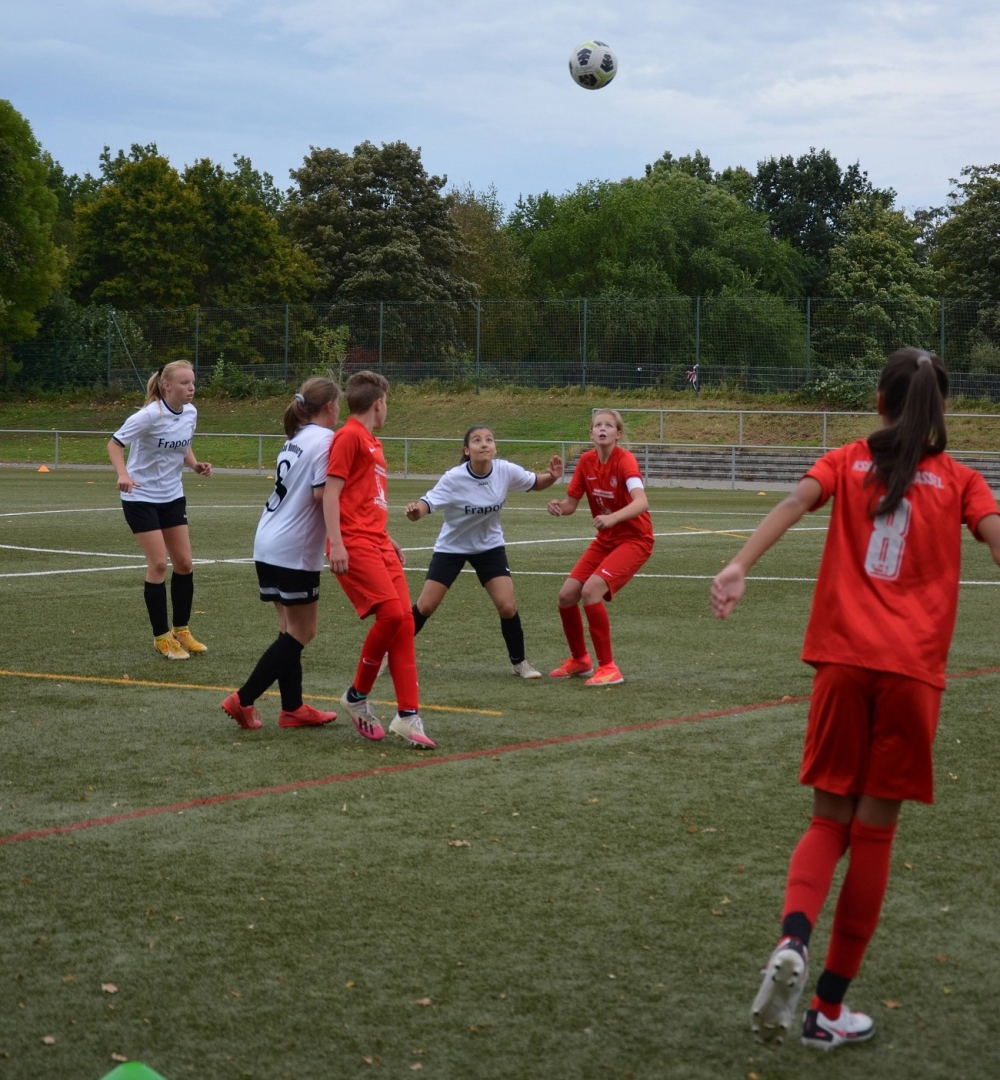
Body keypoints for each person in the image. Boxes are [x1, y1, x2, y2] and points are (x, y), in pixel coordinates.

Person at [710, 349, 1000, 1052]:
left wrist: (738, 565)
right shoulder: (962, 480)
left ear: (878, 401)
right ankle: (827, 1010)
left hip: (841, 664)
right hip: (912, 674)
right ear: (943, 409)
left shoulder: (846, 459)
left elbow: (792, 502)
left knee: (826, 819)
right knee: (873, 835)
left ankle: (793, 939)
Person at [221, 378, 342, 731]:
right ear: (330, 407)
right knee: (303, 631)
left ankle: (292, 708)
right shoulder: (326, 440)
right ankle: (244, 699)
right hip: (294, 548)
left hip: (268, 541)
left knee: (289, 630)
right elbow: (322, 494)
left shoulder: (296, 438)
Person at [323, 370, 434, 749]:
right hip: (354, 543)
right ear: (378, 404)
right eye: (387, 404)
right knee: (390, 616)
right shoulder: (349, 436)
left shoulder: (372, 441)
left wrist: (388, 537)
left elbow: (365, 501)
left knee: (404, 622)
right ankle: (357, 695)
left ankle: (408, 716)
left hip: (378, 542)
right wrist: (337, 544)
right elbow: (331, 493)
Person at [403, 425, 563, 678]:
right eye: (477, 440)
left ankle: (520, 663)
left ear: (495, 448)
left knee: (507, 606)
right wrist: (415, 512)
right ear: (467, 450)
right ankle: (388, 652)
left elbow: (535, 482)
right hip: (452, 547)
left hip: (489, 547)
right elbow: (427, 503)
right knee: (426, 605)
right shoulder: (454, 477)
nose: (484, 444)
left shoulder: (504, 470)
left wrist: (552, 477)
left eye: (489, 439)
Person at [107, 360, 213, 660]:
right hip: (140, 497)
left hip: (172, 496)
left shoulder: (190, 413)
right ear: (167, 385)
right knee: (158, 565)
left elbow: (184, 444)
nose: (191, 388)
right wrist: (123, 474)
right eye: (184, 383)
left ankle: (181, 630)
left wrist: (195, 465)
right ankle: (162, 637)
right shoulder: (149, 415)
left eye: (192, 382)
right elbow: (114, 444)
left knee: (185, 564)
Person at [546, 408, 654, 686]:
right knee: (566, 596)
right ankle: (581, 660)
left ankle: (609, 668)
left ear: (618, 434)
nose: (602, 428)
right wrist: (559, 507)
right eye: (598, 425)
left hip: (635, 540)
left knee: (590, 590)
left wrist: (613, 517)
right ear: (591, 433)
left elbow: (642, 502)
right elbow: (571, 505)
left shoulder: (625, 460)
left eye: (608, 425)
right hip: (606, 541)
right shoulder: (586, 461)